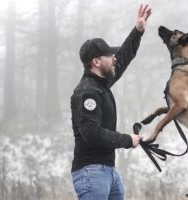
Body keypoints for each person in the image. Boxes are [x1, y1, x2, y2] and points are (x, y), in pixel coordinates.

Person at [70, 4, 152, 200]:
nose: (115, 59)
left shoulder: (101, 84)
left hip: (107, 170)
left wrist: (138, 31)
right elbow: (92, 134)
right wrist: (127, 140)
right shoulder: (87, 92)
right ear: (97, 62)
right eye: (110, 56)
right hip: (92, 172)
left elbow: (123, 57)